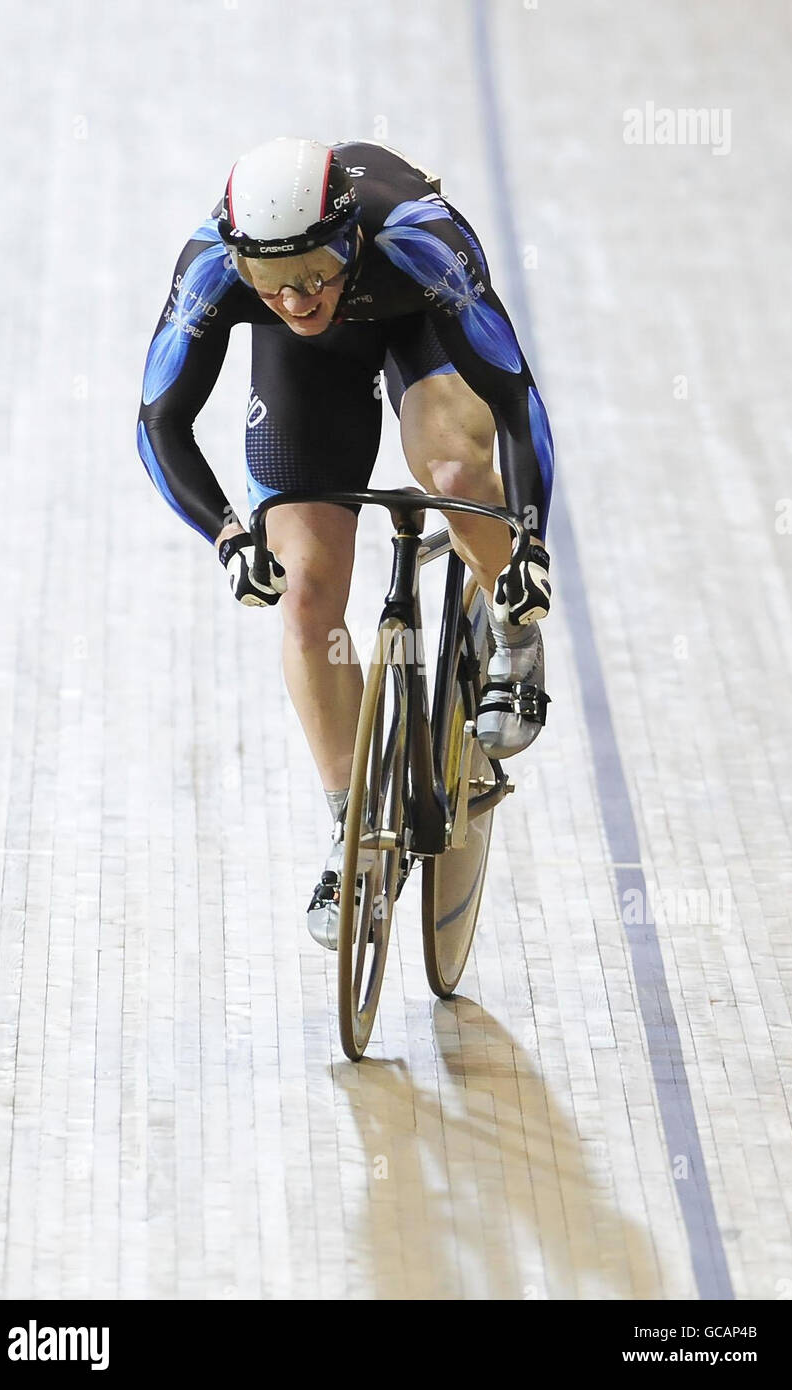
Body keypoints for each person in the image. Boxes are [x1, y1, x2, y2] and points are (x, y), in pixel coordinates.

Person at [137, 137, 554, 949]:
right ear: (240, 262)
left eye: (315, 271)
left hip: (418, 333)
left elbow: (513, 400)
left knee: (451, 468)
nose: (294, 298)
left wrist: (529, 541)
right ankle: (353, 830)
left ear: (349, 236)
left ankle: (513, 630)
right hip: (308, 376)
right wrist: (227, 536)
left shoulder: (417, 240)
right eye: (271, 282)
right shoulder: (214, 269)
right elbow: (160, 421)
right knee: (304, 594)